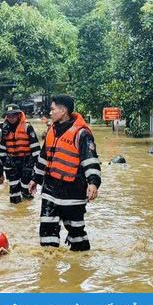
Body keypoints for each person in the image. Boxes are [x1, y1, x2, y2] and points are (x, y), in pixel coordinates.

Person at [28, 95, 101, 251]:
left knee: (76, 234)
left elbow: (90, 160)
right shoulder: (51, 131)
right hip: (50, 189)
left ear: (63, 111)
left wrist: (93, 182)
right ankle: (49, 271)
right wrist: (35, 178)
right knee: (47, 234)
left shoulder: (82, 134)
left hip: (73, 190)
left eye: (53, 109)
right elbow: (43, 157)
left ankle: (81, 267)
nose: (50, 112)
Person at [0, 104, 41, 203]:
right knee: (14, 191)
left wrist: (36, 167)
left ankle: (26, 210)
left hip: (27, 161)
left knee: (26, 188)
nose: (11, 118)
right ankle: (15, 211)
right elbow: (1, 150)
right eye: (9, 116)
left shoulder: (27, 127)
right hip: (12, 163)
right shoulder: (4, 131)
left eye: (14, 116)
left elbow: (36, 149)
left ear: (18, 115)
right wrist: (5, 164)